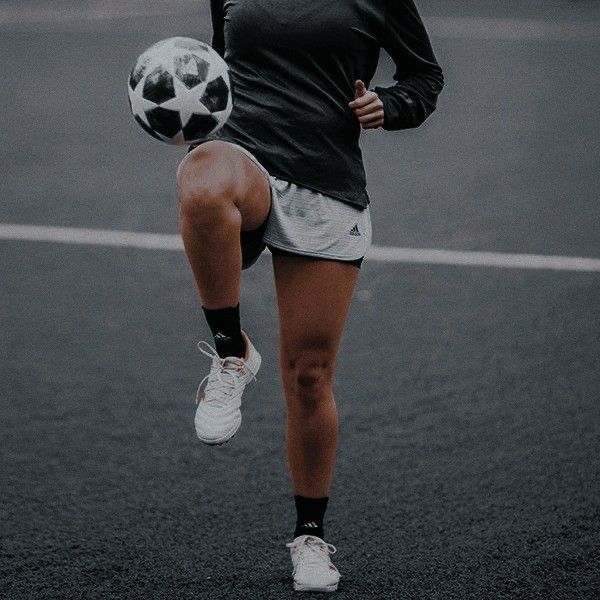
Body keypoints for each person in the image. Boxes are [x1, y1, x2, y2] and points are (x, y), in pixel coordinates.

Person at [176, 0, 443, 592]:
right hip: (243, 155)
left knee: (309, 375)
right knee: (200, 180)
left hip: (325, 179)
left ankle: (311, 537)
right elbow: (215, 62)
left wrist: (389, 104)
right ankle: (229, 352)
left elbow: (425, 77)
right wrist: (190, 115)